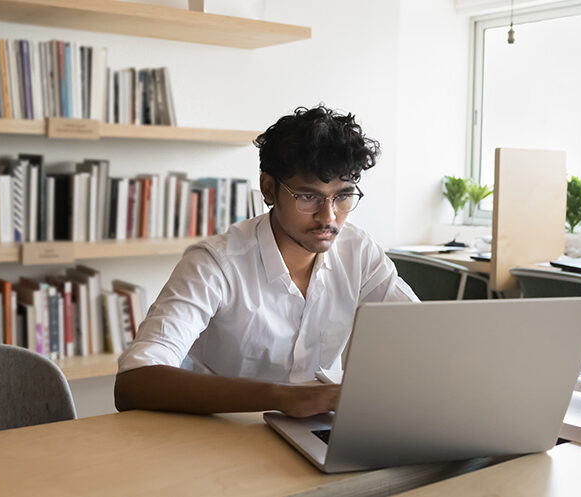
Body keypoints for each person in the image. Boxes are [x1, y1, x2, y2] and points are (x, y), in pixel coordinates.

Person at [114, 105, 418, 418]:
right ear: (269, 189)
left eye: (342, 196)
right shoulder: (215, 263)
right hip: (217, 433)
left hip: (315, 433)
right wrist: (284, 397)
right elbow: (134, 383)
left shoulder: (358, 251)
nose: (328, 217)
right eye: (308, 197)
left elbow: (422, 332)